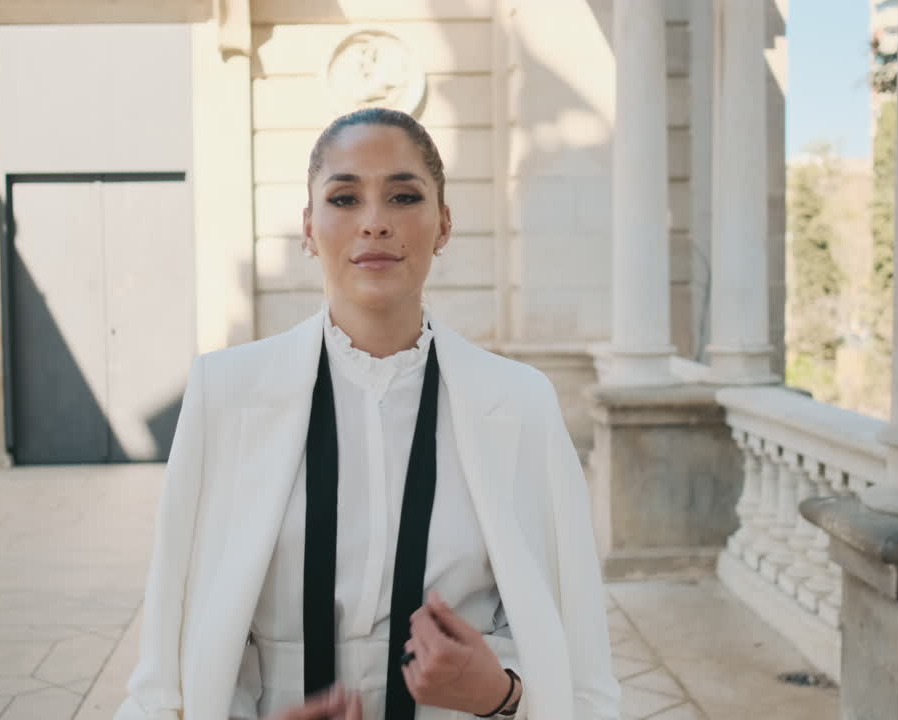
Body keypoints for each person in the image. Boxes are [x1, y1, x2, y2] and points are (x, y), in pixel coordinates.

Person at [115, 108, 619, 720]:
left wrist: (503, 694)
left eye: (404, 196)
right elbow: (168, 663)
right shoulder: (223, 394)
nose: (375, 224)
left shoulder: (520, 402)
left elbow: (580, 656)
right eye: (345, 198)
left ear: (443, 224)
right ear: (308, 226)